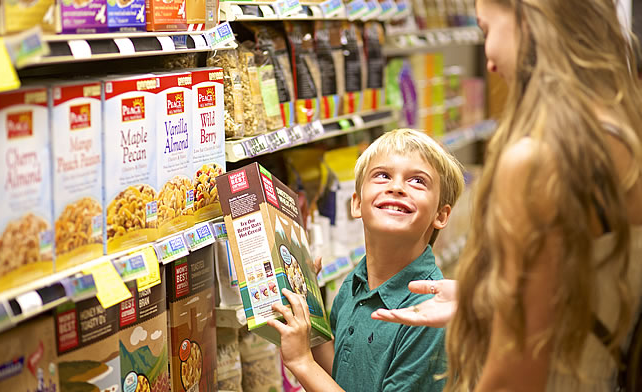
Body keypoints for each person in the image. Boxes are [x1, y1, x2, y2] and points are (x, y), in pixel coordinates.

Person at [372, 0, 642, 391]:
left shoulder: (537, 162)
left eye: (486, 30)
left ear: (529, 21)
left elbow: (516, 374)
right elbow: (588, 290)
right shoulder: (624, 135)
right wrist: (485, 303)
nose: (490, 61)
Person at [267, 129, 465, 391]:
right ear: (357, 203)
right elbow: (342, 372)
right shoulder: (354, 284)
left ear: (441, 214)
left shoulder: (429, 315)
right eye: (382, 176)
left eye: (417, 181)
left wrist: (303, 363)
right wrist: (309, 319)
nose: (396, 187)